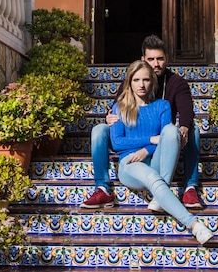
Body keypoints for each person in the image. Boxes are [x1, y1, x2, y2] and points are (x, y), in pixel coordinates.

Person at [81, 35, 203, 210]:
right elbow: (117, 107)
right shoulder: (133, 79)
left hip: (162, 141)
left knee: (193, 130)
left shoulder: (176, 83)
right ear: (143, 60)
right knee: (100, 130)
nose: (156, 64)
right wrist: (108, 117)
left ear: (166, 59)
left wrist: (183, 127)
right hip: (138, 138)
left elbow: (186, 110)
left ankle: (190, 186)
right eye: (151, 59)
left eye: (160, 59)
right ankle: (102, 188)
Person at [104, 60, 213, 245]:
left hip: (154, 160)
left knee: (171, 131)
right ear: (129, 82)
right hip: (130, 163)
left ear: (152, 81)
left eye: (146, 79)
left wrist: (147, 149)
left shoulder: (162, 106)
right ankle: (194, 225)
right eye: (136, 80)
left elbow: (167, 139)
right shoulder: (119, 107)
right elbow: (117, 142)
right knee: (155, 178)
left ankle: (159, 198)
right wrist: (150, 140)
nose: (141, 85)